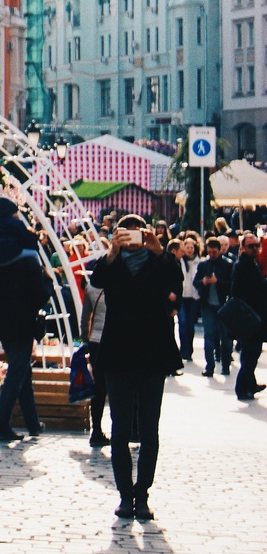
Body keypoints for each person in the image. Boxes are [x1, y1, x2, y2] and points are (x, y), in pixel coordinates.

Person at [89, 215, 182, 521]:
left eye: (136, 234)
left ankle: (142, 494)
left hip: (153, 354)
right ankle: (124, 495)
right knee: (119, 427)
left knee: (149, 428)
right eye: (125, 234)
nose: (132, 239)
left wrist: (159, 251)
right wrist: (112, 252)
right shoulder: (111, 263)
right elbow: (96, 280)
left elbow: (176, 282)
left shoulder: (160, 262)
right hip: (118, 353)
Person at [0, 243, 51, 443]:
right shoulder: (30, 263)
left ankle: (33, 423)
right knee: (16, 373)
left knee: (22, 372)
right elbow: (40, 296)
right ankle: (1, 425)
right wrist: (46, 281)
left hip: (2, 323)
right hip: (22, 324)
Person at [232, 233, 267, 400]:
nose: (254, 249)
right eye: (250, 246)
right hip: (250, 317)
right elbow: (242, 292)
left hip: (252, 316)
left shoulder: (250, 264)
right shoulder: (243, 265)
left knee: (250, 353)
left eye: (256, 245)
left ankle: (250, 384)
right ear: (242, 248)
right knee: (252, 353)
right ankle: (241, 387)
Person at [79, 263, 110, 448]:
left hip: (96, 341)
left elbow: (85, 319)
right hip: (115, 340)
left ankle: (96, 429)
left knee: (99, 387)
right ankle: (125, 429)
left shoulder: (91, 289)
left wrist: (85, 340)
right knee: (117, 386)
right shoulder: (119, 287)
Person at [196, 236, 234, 377]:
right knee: (209, 336)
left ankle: (225, 366)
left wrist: (217, 282)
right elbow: (196, 282)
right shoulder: (203, 264)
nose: (212, 255)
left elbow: (232, 285)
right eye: (209, 252)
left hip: (223, 305)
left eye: (214, 252)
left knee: (225, 338)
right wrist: (203, 282)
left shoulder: (227, 264)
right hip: (207, 305)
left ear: (219, 250)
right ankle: (209, 366)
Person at [175, 234, 202, 361]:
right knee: (182, 323)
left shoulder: (200, 262)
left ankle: (189, 350)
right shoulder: (179, 261)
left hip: (194, 297)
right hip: (181, 297)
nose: (189, 250)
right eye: (187, 247)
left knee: (190, 324)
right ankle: (183, 348)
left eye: (192, 247)